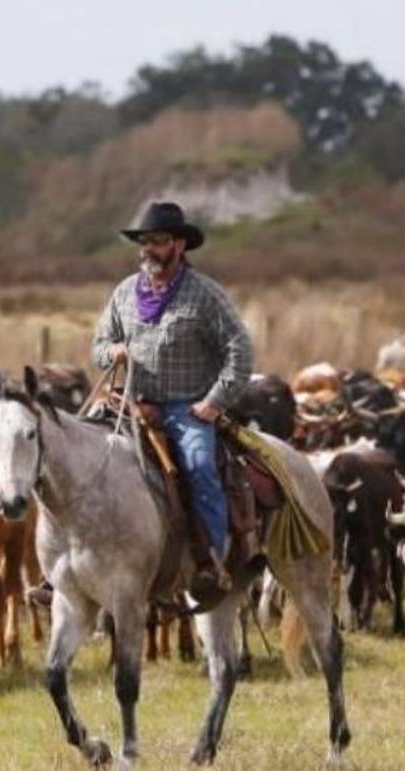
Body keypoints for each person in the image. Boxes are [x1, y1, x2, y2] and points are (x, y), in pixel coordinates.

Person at [92, 201, 254, 584]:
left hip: (187, 408)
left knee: (199, 466)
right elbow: (99, 344)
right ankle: (76, 564)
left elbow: (240, 351)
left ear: (179, 246)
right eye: (144, 241)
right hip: (131, 403)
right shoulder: (124, 292)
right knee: (87, 457)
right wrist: (110, 352)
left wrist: (214, 403)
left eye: (158, 241)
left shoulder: (205, 295)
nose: (148, 249)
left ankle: (211, 560)